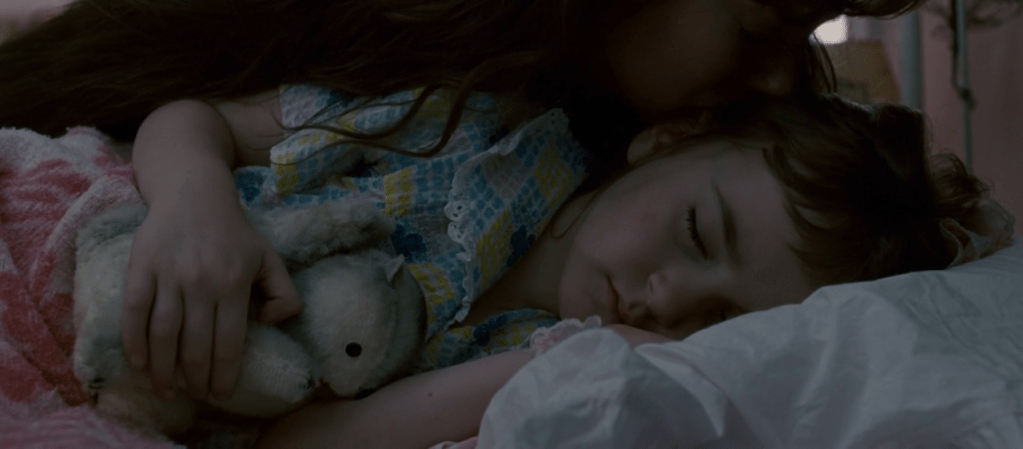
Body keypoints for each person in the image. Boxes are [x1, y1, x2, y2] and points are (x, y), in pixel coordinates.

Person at [0, 0, 942, 424]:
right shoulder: (474, 123)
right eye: (767, 20)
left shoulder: (556, 346)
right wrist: (193, 202)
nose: (780, 79)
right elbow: (180, 117)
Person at [246, 90, 1003, 448]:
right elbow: (209, 119)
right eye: (698, 233)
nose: (669, 301)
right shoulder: (475, 131)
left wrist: (567, 358)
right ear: (665, 140)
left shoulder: (559, 386)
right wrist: (196, 204)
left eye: (722, 318)